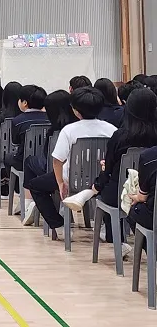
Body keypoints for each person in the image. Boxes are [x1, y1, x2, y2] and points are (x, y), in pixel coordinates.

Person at [62, 88, 157, 252]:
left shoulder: (120, 136)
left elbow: (109, 171)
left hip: (121, 191)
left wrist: (101, 179)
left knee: (107, 188)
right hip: (151, 192)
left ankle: (117, 241)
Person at [27, 87, 117, 235]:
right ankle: (105, 227)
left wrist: (60, 183)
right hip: (102, 181)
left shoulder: (69, 130)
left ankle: (59, 226)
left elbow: (57, 161)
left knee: (35, 186)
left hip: (72, 180)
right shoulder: (112, 129)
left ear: (75, 110)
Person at [21, 89, 76, 225]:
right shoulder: (77, 126)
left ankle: (30, 205)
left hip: (59, 175)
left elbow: (51, 159)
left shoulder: (55, 131)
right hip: (86, 175)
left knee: (30, 163)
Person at [6, 85, 48, 172]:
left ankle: (13, 184)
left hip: (23, 161)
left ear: (24, 103)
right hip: (46, 160)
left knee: (8, 157)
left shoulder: (17, 121)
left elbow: (15, 142)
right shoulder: (50, 118)